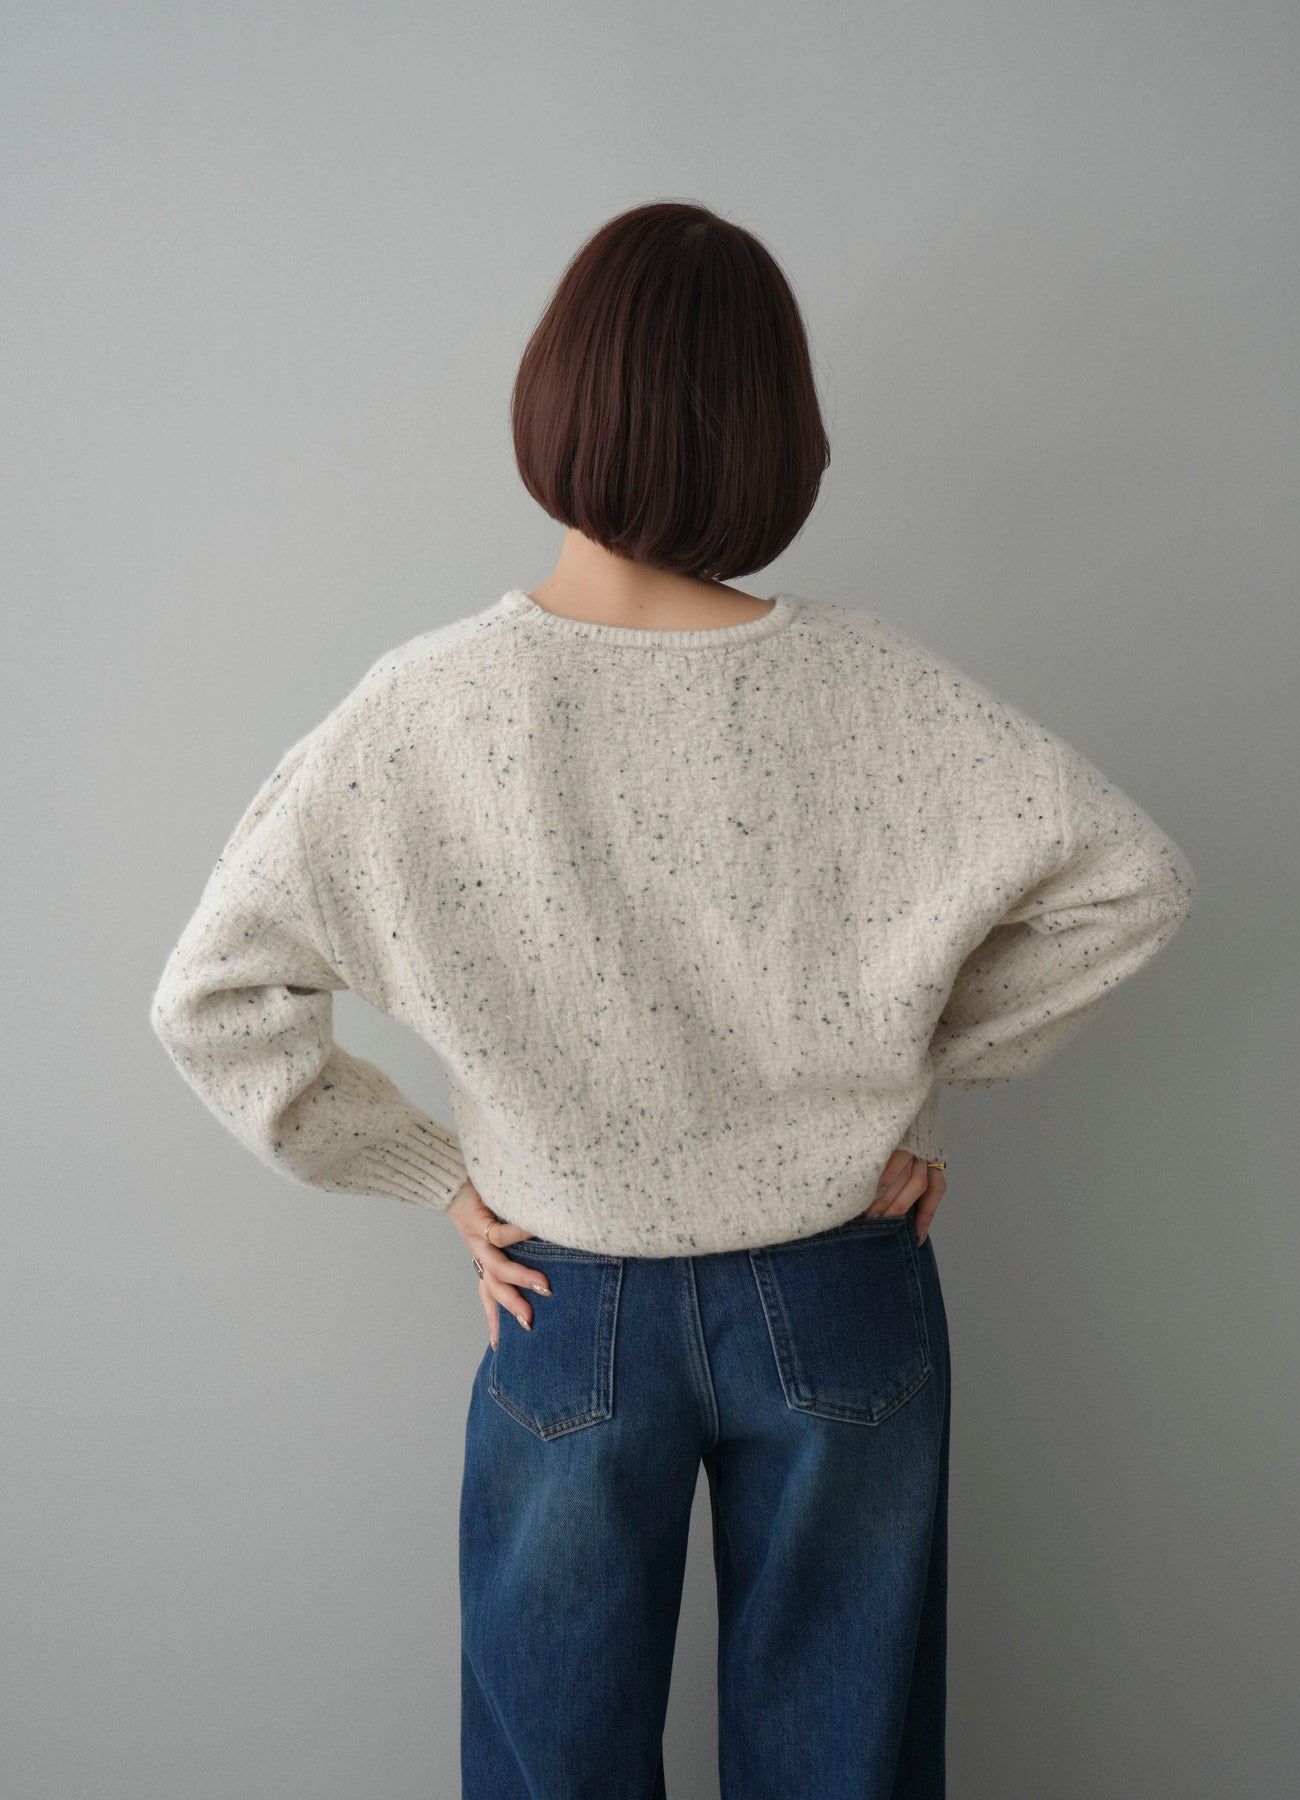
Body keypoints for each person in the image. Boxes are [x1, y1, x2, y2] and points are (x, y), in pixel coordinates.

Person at [149, 200, 1196, 1798]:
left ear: (553, 402)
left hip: (565, 1301)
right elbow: (1133, 883)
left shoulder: (423, 709)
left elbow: (214, 998)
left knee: (550, 1766)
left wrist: (435, 1180)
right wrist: (913, 1084)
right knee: (842, 1765)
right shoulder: (875, 687)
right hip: (842, 1284)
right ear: (775, 435)